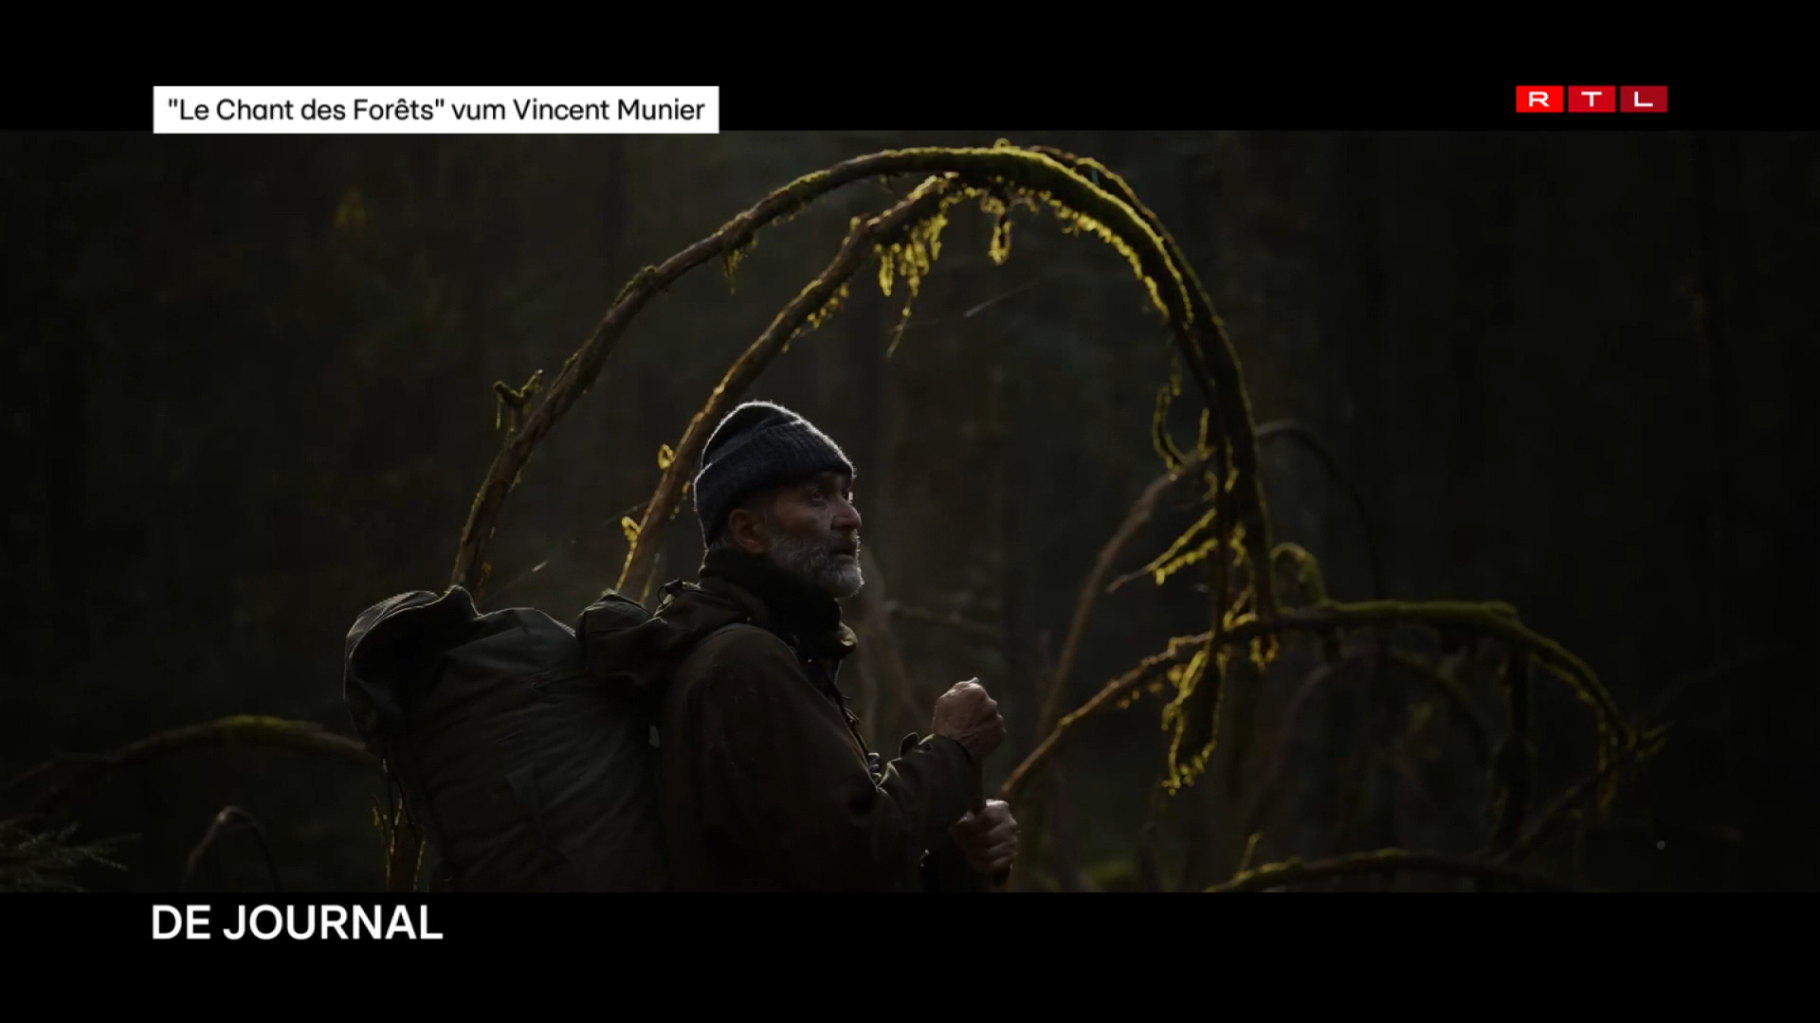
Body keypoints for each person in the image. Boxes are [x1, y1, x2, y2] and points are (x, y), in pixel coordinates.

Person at [632, 400, 1018, 891]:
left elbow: (826, 859)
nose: (850, 517)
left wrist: (959, 856)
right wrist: (954, 752)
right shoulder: (744, 661)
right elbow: (856, 855)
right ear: (748, 531)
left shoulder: (784, 650)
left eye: (846, 494)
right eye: (817, 498)